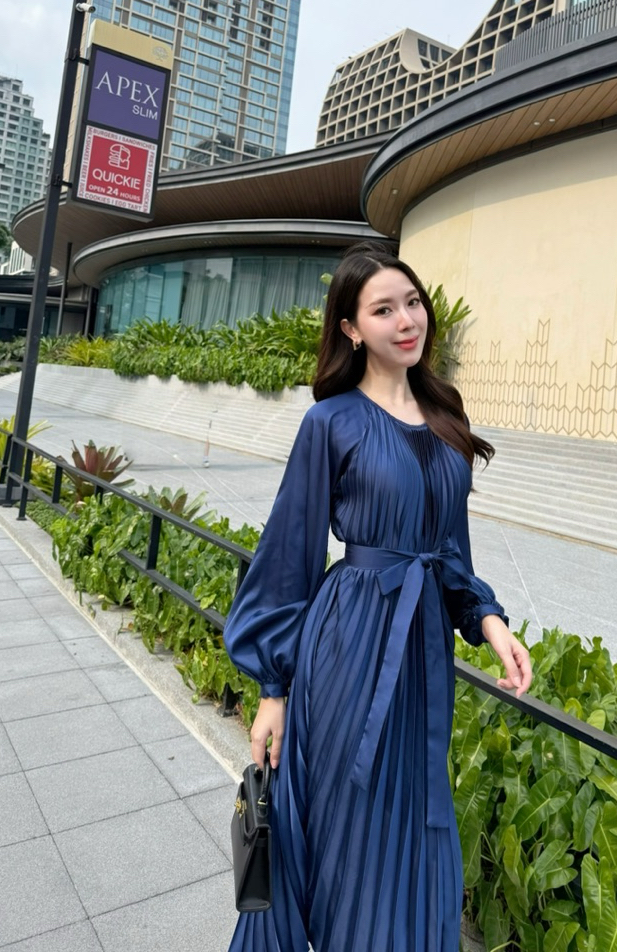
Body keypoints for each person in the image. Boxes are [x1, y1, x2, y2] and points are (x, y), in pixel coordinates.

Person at [224, 242, 532, 951]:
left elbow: (450, 554)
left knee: (416, 819)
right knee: (346, 821)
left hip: (422, 653)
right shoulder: (330, 422)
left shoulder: (446, 417)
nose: (406, 320)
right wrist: (273, 688)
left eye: (413, 303)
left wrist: (489, 621)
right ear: (351, 329)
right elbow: (290, 553)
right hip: (349, 643)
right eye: (383, 309)